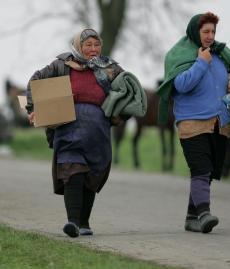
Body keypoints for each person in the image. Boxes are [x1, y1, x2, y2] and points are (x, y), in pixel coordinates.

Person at [26, 29, 144, 238]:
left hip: (98, 134)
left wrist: (121, 115)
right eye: (87, 45)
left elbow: (131, 92)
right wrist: (33, 107)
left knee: (92, 174)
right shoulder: (61, 65)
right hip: (68, 131)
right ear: (78, 46)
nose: (93, 49)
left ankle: (84, 222)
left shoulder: (110, 68)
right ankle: (72, 222)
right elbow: (36, 81)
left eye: (96, 44)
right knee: (73, 172)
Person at [157, 12, 230, 233]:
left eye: (213, 32)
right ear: (195, 32)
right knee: (200, 168)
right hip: (192, 123)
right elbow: (181, 85)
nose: (210, 36)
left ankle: (192, 218)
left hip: (220, 122)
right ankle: (204, 214)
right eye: (205, 31)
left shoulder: (221, 56)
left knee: (208, 172)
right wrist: (200, 62)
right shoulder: (180, 55)